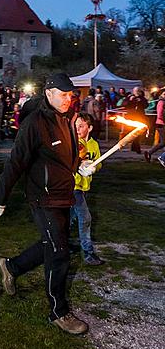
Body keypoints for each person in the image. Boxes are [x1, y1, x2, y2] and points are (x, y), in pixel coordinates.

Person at [0, 72, 89, 335]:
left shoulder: (67, 119)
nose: (68, 99)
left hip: (64, 193)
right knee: (59, 252)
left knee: (53, 244)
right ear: (49, 93)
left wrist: (80, 166)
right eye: (63, 94)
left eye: (70, 95)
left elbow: (64, 156)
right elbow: (16, 161)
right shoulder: (34, 123)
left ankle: (11, 266)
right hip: (42, 197)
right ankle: (59, 311)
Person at [71, 113, 104, 266]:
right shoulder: (71, 143)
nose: (77, 129)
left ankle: (60, 246)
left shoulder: (94, 145)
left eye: (81, 126)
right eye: (76, 126)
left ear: (89, 127)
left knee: (69, 220)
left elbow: (99, 163)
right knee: (85, 218)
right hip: (72, 187)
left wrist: (93, 167)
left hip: (83, 188)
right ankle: (88, 253)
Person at [124, 87, 148, 154]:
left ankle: (136, 147)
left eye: (138, 91)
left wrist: (140, 101)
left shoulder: (142, 98)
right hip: (131, 118)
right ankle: (135, 147)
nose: (136, 92)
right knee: (132, 132)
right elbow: (124, 105)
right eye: (135, 91)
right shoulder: (130, 97)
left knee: (138, 133)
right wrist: (130, 100)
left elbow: (146, 105)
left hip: (140, 117)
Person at [144, 89, 165, 162]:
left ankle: (149, 153)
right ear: (161, 95)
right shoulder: (161, 102)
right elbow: (160, 115)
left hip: (161, 123)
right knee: (163, 142)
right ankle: (162, 158)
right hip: (161, 124)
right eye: (164, 94)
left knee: (162, 143)